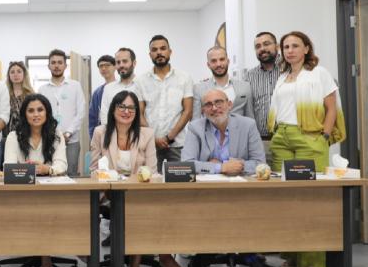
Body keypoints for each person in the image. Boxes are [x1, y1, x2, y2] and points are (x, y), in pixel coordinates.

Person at [268, 31, 346, 267]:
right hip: (282, 138)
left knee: (311, 198)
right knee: (285, 200)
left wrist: (324, 136)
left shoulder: (319, 73)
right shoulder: (282, 77)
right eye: (286, 46)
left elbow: (331, 108)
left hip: (309, 137)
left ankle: (315, 261)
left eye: (295, 46)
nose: (290, 50)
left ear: (306, 48)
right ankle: (293, 256)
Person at [90, 91, 183, 267]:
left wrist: (137, 181)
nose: (126, 111)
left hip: (139, 193)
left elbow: (153, 171)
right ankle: (163, 255)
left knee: (141, 207)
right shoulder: (100, 132)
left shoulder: (146, 134)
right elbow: (94, 170)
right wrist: (112, 179)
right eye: (122, 106)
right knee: (138, 208)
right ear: (113, 110)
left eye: (131, 108)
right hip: (110, 192)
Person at [181, 89, 273, 267]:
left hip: (241, 193)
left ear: (229, 104)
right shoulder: (196, 128)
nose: (214, 108)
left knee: (245, 213)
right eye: (208, 104)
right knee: (211, 214)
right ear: (203, 110)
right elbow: (186, 164)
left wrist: (239, 165)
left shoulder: (247, 125)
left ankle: (253, 263)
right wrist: (220, 167)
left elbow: (260, 163)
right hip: (206, 196)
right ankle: (201, 261)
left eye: (219, 102)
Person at [4, 94, 68, 267]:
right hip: (22, 191)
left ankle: (48, 262)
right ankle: (46, 263)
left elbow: (61, 165)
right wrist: (29, 170)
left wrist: (47, 169)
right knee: (37, 212)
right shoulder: (13, 136)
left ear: (47, 112)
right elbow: (8, 166)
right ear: (24, 114)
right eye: (31, 110)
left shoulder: (56, 135)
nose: (36, 114)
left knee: (45, 212)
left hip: (50, 190)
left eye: (40, 110)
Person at [138, 35, 193, 169]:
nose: (159, 52)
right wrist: (153, 138)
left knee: (181, 180)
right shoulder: (141, 81)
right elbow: (139, 113)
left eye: (163, 48)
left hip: (178, 144)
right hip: (151, 144)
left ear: (170, 51)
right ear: (150, 54)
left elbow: (188, 111)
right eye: (154, 50)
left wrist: (169, 137)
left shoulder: (184, 78)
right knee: (149, 178)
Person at [38, 49, 86, 177]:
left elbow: (81, 112)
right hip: (49, 140)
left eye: (60, 62)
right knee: (50, 173)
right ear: (49, 66)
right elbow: (41, 115)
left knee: (70, 173)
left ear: (65, 65)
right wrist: (52, 134)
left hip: (71, 140)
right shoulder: (42, 89)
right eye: (53, 63)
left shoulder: (75, 86)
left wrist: (68, 132)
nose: (56, 66)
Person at [243, 31, 283, 163]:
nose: (262, 49)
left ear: (277, 46)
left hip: (288, 139)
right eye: (258, 46)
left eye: (266, 44)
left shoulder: (289, 69)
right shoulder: (249, 76)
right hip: (261, 141)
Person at [192, 46, 254, 120]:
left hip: (240, 127)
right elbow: (195, 120)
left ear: (228, 61)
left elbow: (250, 117)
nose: (218, 64)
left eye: (222, 59)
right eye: (214, 61)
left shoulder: (245, 86)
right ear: (208, 65)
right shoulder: (199, 89)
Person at [99, 47, 145, 126]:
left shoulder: (143, 86)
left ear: (134, 63)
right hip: (113, 133)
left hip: (140, 132)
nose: (121, 65)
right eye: (118, 62)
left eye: (125, 61)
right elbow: (104, 118)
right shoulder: (108, 88)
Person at [3, 60, 35, 140]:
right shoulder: (4, 94)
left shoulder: (31, 95)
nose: (15, 75)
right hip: (7, 138)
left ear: (24, 74)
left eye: (19, 71)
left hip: (27, 137)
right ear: (9, 76)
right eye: (12, 72)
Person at [88, 55, 116, 138]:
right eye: (101, 66)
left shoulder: (122, 88)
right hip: (103, 134)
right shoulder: (97, 92)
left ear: (115, 67)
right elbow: (92, 117)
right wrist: (93, 136)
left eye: (107, 65)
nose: (103, 68)